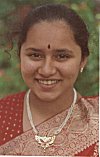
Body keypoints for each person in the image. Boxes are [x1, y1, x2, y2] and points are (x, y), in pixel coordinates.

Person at [0, 4, 99, 156]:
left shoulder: (96, 123)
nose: (47, 70)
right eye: (35, 55)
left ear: (83, 60)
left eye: (62, 56)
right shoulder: (3, 115)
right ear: (20, 55)